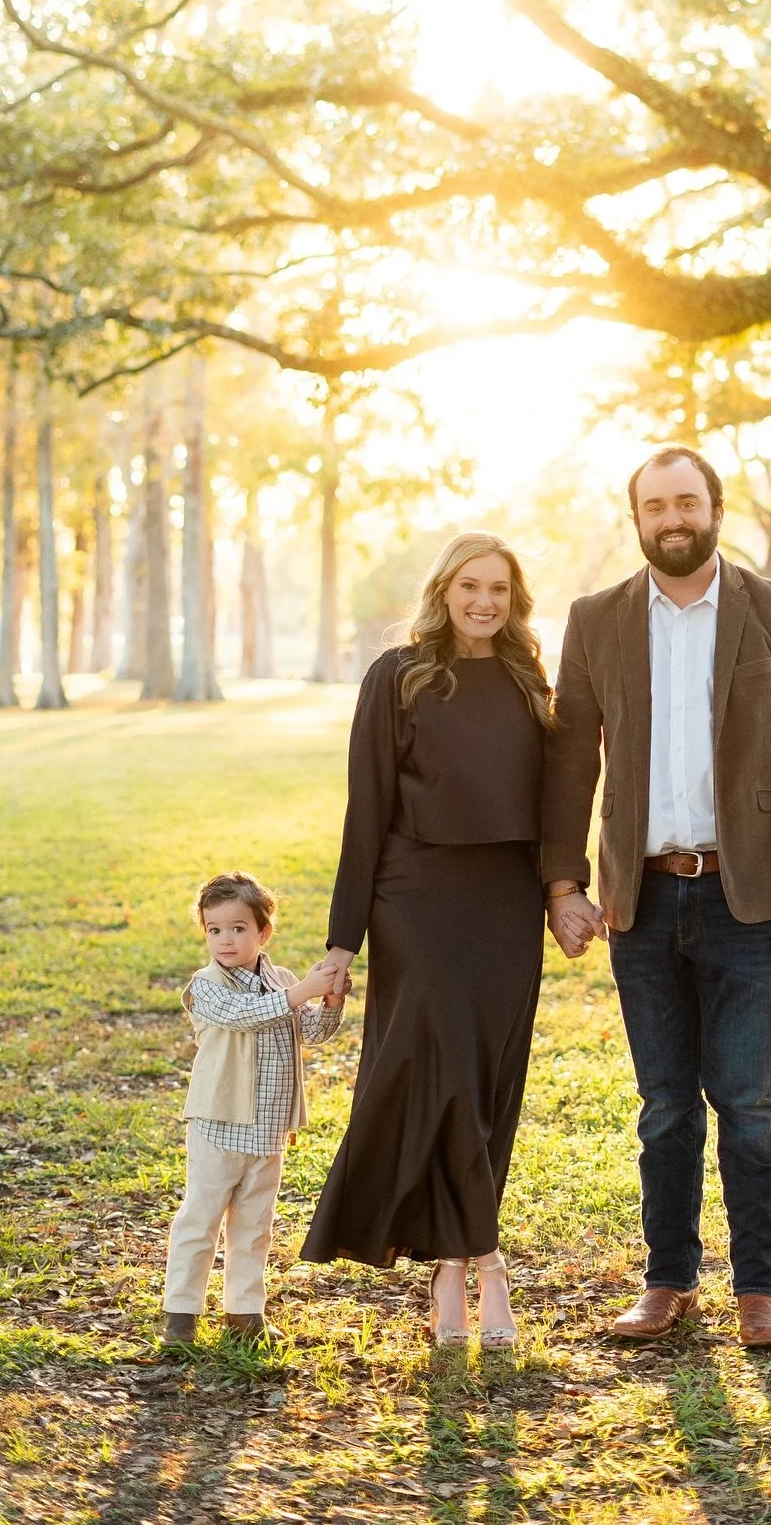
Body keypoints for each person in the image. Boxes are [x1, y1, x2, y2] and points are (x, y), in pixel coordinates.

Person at [542, 446, 771, 1347]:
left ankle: (761, 1290)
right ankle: (667, 1281)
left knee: (749, 1102)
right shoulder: (596, 619)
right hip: (641, 896)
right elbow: (570, 759)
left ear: (715, 508)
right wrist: (565, 883)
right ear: (635, 518)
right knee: (665, 1104)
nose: (672, 519)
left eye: (687, 502)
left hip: (747, 893)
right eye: (654, 506)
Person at [301, 533, 552, 1350]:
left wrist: (563, 891)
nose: (485, 601)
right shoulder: (397, 676)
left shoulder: (526, 681)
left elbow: (554, 801)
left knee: (482, 1091)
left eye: (500, 590)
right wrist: (343, 943)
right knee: (439, 1076)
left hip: (504, 908)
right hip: (416, 900)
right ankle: (484, 1264)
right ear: (443, 590)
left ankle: (450, 1264)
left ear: (515, 601)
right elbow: (363, 811)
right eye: (470, 586)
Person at [162, 871, 347, 1346]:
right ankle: (180, 1314)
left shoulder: (282, 980)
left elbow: (309, 1032)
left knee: (253, 1225)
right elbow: (242, 1017)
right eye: (214, 929)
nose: (225, 939)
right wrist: (300, 993)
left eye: (238, 928)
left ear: (263, 932)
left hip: (267, 1129)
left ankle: (245, 1312)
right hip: (218, 1124)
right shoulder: (206, 986)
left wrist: (329, 1000)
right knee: (200, 1219)